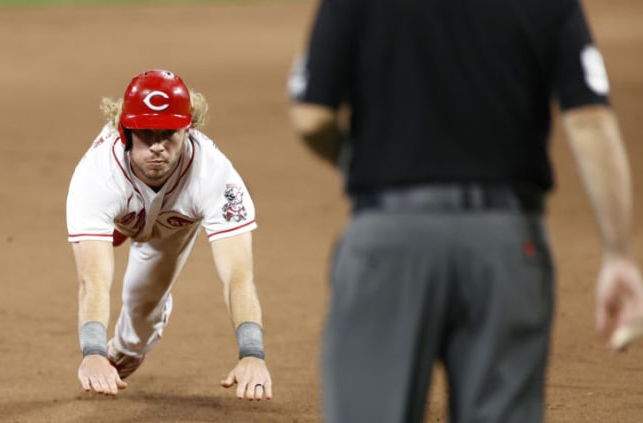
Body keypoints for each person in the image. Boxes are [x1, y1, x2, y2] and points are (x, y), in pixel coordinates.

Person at [288, 1, 643, 422]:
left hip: (389, 240)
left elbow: (311, 118)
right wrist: (617, 254)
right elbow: (590, 121)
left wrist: (362, 164)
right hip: (508, 245)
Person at [66, 69, 272, 400]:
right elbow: (93, 280)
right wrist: (91, 351)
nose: (158, 146)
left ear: (188, 129)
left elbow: (238, 275)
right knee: (116, 216)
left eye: (169, 133)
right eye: (146, 134)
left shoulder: (214, 174)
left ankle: (126, 350)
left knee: (143, 311)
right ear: (125, 131)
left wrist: (252, 353)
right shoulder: (96, 175)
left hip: (171, 225)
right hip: (120, 198)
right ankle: (121, 224)